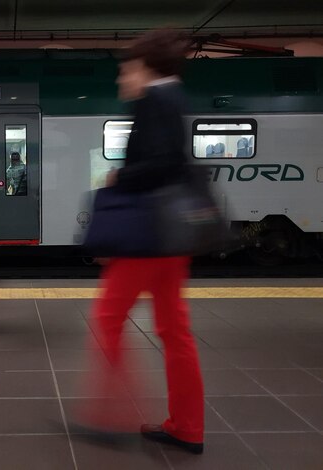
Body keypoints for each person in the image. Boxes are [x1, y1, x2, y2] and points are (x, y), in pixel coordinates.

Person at [92, 29, 204, 454]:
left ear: (145, 67)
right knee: (176, 331)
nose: (122, 78)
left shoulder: (154, 100)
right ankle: (187, 427)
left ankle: (112, 417)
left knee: (106, 320)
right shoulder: (177, 97)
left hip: (147, 236)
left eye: (126, 69)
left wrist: (119, 177)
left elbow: (161, 164)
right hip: (172, 238)